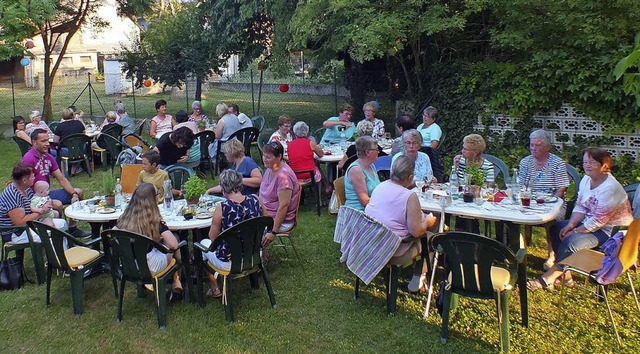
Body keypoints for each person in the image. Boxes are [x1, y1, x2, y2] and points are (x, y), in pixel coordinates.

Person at [527, 148, 633, 291]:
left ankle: (547, 278)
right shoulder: (586, 179)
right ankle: (566, 276)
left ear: (605, 167)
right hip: (591, 222)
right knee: (557, 228)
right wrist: (571, 224)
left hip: (612, 231)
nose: (587, 165)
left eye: (592, 162)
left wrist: (576, 231)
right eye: (585, 162)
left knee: (572, 241)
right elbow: (581, 205)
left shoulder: (610, 189)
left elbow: (598, 222)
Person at [365, 155, 437, 292]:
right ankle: (419, 277)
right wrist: (428, 221)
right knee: (431, 236)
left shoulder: (381, 186)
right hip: (393, 249)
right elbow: (416, 231)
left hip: (371, 242)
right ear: (410, 176)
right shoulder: (409, 196)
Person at [201, 170, 267, 298]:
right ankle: (253, 279)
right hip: (254, 255)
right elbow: (267, 219)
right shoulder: (255, 199)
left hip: (229, 261)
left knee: (203, 245)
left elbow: (213, 238)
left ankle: (215, 288)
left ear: (223, 188)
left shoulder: (222, 207)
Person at [115, 183, 183, 293]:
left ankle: (176, 280)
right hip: (152, 266)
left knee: (158, 246)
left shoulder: (125, 218)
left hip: (130, 265)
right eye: (157, 194)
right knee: (175, 238)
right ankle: (177, 279)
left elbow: (112, 234)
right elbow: (174, 245)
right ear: (153, 199)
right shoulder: (154, 221)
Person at [518, 129, 570, 268]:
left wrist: (550, 204)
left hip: (553, 201)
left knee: (551, 221)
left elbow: (561, 189)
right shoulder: (525, 162)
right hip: (529, 200)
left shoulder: (557, 163)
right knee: (509, 217)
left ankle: (552, 255)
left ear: (547, 147)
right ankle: (515, 252)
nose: (533, 148)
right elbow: (521, 186)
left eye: (538, 145)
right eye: (532, 145)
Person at [22, 129, 85, 237]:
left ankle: (72, 228)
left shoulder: (49, 157)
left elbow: (61, 179)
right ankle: (58, 233)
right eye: (43, 141)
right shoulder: (28, 159)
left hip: (47, 194)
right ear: (34, 143)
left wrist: (73, 194)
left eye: (47, 140)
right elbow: (23, 185)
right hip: (34, 198)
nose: (47, 144)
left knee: (79, 192)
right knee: (57, 204)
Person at [0, 163, 67, 245]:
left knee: (62, 223)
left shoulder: (26, 189)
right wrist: (42, 211)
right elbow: (20, 223)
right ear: (24, 180)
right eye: (32, 176)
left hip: (31, 224)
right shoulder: (12, 195)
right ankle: (56, 256)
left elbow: (35, 202)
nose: (34, 178)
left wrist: (47, 203)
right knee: (53, 231)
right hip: (16, 233)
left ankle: (64, 254)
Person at [259, 141, 300, 246]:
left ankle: (253, 257)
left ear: (279, 156)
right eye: (264, 156)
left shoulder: (284, 177)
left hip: (278, 220)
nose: (264, 159)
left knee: (244, 227)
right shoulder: (271, 168)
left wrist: (273, 231)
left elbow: (284, 206)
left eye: (268, 157)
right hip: (265, 213)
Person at [452, 134, 494, 233]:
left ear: (476, 152)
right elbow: (454, 183)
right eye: (463, 148)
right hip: (461, 198)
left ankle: (473, 239)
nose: (462, 151)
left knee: (470, 217)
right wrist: (455, 167)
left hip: (479, 200)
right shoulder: (461, 161)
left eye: (466, 149)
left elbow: (490, 187)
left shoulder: (487, 165)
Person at [288, 121, 330, 193]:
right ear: (306, 132)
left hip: (295, 175)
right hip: (309, 174)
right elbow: (321, 154)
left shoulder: (290, 144)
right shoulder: (310, 143)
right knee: (317, 170)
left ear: (295, 132)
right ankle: (319, 198)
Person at [344, 136, 381, 211]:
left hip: (371, 207)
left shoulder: (371, 165)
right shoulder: (356, 170)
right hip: (358, 212)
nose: (378, 152)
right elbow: (365, 201)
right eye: (376, 150)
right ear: (367, 152)